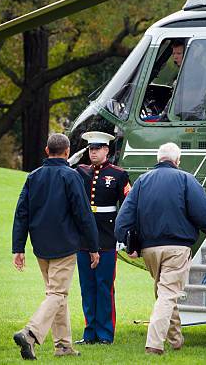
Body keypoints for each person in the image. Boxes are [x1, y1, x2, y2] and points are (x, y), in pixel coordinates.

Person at [114, 142, 206, 355]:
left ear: (158, 159)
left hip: (150, 250)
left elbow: (123, 218)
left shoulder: (142, 181)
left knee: (165, 292)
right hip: (178, 248)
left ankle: (176, 339)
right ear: (177, 161)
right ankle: (154, 344)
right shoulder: (186, 179)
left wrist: (127, 242)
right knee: (168, 294)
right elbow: (201, 209)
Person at [11, 133, 100, 360]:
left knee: (56, 294)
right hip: (65, 245)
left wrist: (18, 248)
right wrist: (93, 246)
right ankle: (30, 333)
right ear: (67, 152)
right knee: (57, 293)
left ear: (46, 150)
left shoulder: (33, 177)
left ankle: (63, 346)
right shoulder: (71, 176)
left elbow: (22, 213)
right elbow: (83, 214)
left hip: (40, 246)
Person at [73, 131, 131, 345]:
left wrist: (124, 233)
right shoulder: (80, 172)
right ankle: (90, 333)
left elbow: (128, 204)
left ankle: (105, 334)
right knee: (87, 287)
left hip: (106, 237)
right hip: (84, 239)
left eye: (97, 148)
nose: (93, 152)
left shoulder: (118, 174)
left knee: (104, 286)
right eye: (91, 149)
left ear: (107, 150)